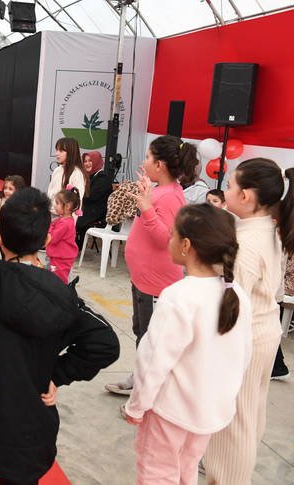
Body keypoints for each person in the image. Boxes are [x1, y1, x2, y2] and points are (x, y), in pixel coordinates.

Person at [0, 187, 119, 485]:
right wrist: (58, 374)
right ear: (46, 239)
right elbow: (104, 342)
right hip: (30, 425)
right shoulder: (62, 296)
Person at [123, 204, 253, 484]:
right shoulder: (237, 294)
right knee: (187, 469)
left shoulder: (178, 296)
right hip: (208, 412)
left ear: (186, 245)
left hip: (171, 412)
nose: (168, 240)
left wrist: (136, 406)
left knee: (157, 474)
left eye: (172, 234)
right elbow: (243, 356)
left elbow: (154, 361)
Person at [204, 159, 294, 484]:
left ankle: (228, 478)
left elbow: (232, 303)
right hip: (264, 329)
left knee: (235, 419)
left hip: (246, 335)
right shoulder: (269, 229)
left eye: (229, 185)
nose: (225, 190)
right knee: (250, 411)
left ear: (246, 196)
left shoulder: (247, 243)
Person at [106, 136, 198, 396]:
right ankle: (140, 377)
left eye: (148, 157)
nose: (143, 162)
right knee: (142, 332)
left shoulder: (171, 197)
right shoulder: (160, 191)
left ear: (160, 165)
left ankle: (148, 390)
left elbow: (165, 239)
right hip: (143, 278)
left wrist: (146, 208)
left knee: (150, 337)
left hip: (156, 281)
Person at [75, 151, 113, 249]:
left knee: (73, 218)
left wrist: (77, 191)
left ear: (97, 161)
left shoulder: (103, 177)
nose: (87, 164)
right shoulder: (88, 176)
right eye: (85, 161)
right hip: (89, 209)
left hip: (98, 213)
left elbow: (91, 197)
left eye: (90, 161)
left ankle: (74, 246)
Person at [47, 187, 81, 283]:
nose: (55, 205)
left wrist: (49, 227)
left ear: (68, 206)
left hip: (60, 258)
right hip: (60, 256)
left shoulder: (64, 223)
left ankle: (61, 295)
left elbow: (52, 238)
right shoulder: (64, 220)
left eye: (57, 203)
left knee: (58, 281)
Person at [47, 137, 87, 214]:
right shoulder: (57, 170)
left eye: (61, 151)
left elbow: (76, 201)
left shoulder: (77, 173)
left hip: (65, 219)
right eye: (57, 150)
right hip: (51, 215)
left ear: (71, 152)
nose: (57, 153)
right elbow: (50, 193)